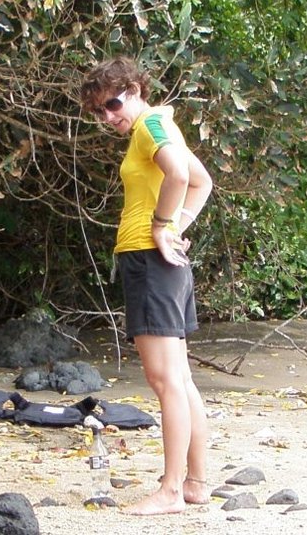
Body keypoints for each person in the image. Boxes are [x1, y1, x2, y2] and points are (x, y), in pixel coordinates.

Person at [80, 57, 214, 515]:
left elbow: (181, 176)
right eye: (99, 111)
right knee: (181, 379)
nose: (108, 116)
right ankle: (194, 482)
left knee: (165, 381)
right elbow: (202, 182)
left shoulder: (149, 126)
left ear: (136, 89)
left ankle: (171, 490)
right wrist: (176, 225)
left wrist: (161, 225)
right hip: (163, 260)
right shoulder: (163, 124)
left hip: (150, 259)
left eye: (113, 104)